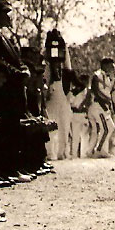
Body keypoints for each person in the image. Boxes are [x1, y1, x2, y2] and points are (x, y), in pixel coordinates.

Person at [43, 29, 72, 161]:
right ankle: (53, 152)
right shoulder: (49, 52)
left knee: (61, 121)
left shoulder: (60, 51)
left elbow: (67, 69)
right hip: (55, 86)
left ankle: (58, 152)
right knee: (55, 120)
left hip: (59, 87)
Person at [87, 58, 115, 158]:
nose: (112, 68)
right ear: (105, 65)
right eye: (110, 66)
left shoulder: (107, 77)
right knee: (106, 129)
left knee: (110, 127)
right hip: (98, 105)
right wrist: (106, 101)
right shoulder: (97, 75)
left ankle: (101, 150)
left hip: (104, 106)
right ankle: (99, 150)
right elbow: (96, 91)